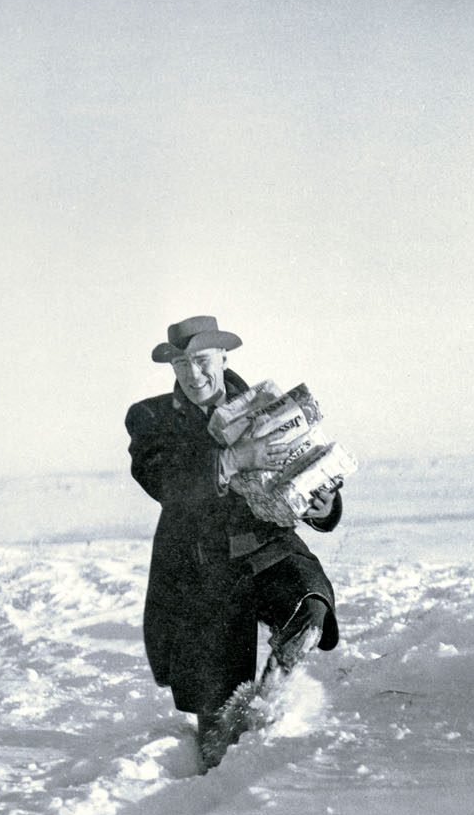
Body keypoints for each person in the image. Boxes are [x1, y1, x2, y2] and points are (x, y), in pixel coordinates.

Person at [126, 315, 343, 772]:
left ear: (224, 357)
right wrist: (233, 458)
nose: (193, 373)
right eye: (181, 364)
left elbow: (309, 465)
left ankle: (272, 696)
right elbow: (166, 481)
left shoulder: (269, 408)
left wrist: (321, 503)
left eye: (202, 360)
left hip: (267, 551)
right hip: (201, 571)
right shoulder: (151, 418)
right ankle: (215, 774)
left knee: (309, 602)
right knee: (216, 714)